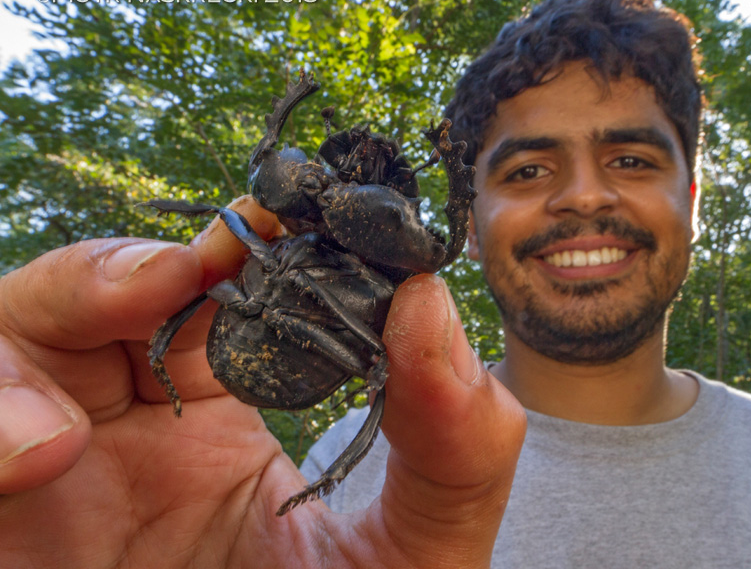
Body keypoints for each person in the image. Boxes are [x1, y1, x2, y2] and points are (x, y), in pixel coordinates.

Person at [302, 0, 751, 568]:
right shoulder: (348, 473)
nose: (585, 196)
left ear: (691, 205)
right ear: (470, 229)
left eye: (631, 160)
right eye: (529, 171)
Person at [0, 194, 527, 568]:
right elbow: (235, 216)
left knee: (383, 371)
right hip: (256, 324)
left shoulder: (385, 283)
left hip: (302, 338)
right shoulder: (305, 463)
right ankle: (161, 350)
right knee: (221, 235)